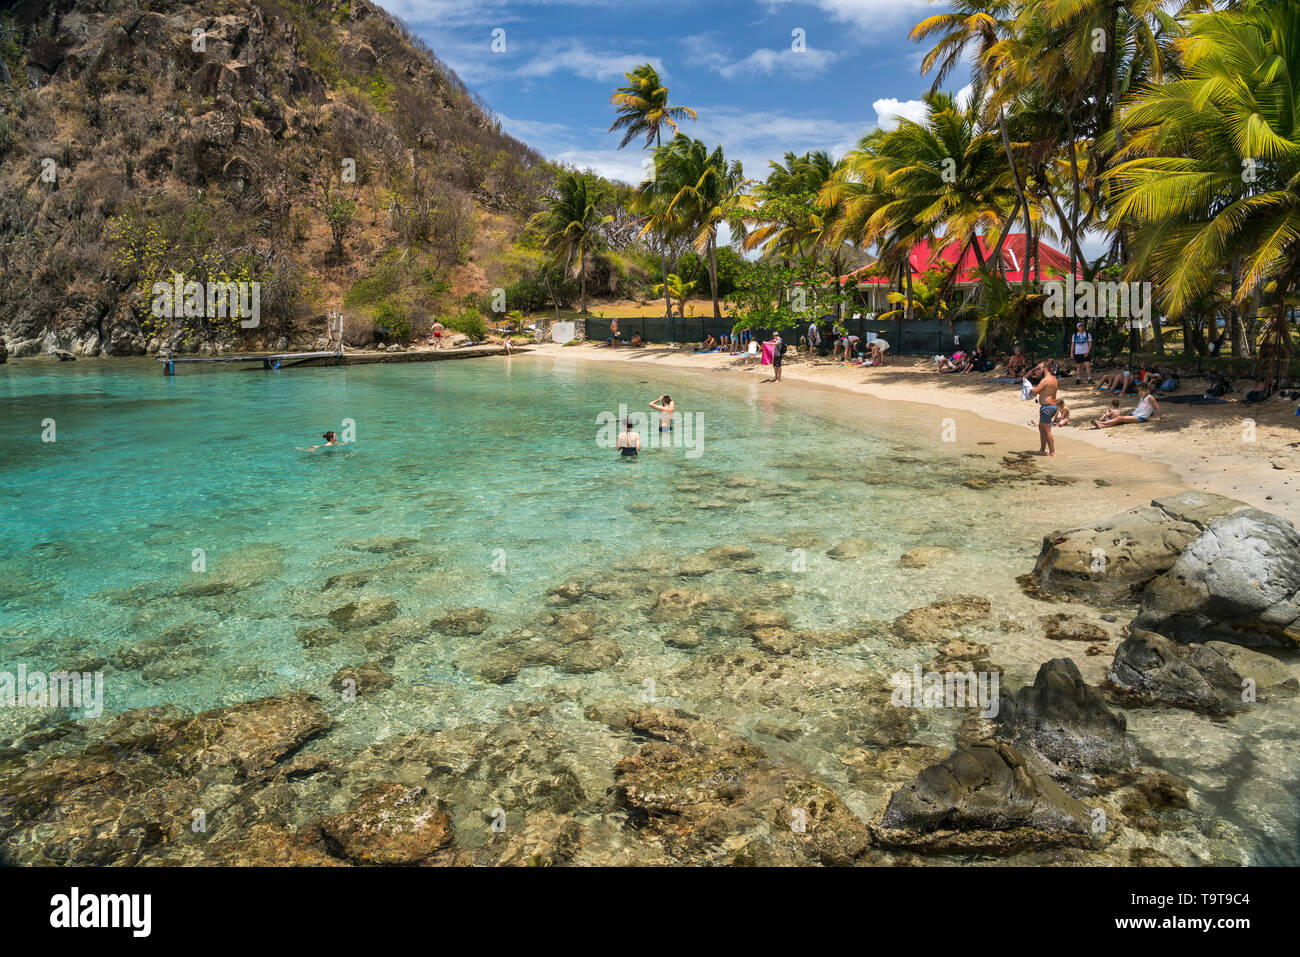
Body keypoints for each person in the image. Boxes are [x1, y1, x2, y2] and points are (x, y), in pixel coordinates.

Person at [1093, 382, 1162, 428]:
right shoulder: (1142, 398)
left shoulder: (1150, 397)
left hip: (1141, 417)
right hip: (1136, 415)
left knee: (1120, 418)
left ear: (1144, 390)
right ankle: (1102, 425)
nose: (1138, 392)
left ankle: (1100, 423)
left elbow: (1157, 407)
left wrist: (1161, 418)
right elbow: (1148, 408)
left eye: (1140, 390)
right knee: (1120, 420)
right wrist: (1150, 413)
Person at [1029, 362, 1059, 456]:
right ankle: (1042, 449)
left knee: (1046, 430)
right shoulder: (1054, 379)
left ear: (1045, 369)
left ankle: (1052, 452)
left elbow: (1035, 391)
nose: (1037, 371)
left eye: (1039, 369)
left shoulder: (1045, 380)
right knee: (1042, 429)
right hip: (1051, 406)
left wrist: (1028, 387)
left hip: (1047, 407)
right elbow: (1044, 391)